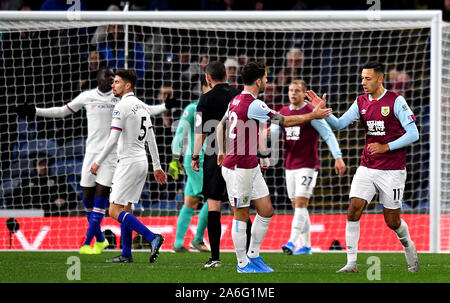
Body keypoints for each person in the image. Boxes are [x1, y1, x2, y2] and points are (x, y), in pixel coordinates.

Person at [14, 67, 174, 255]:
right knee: (91, 204)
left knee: (108, 206)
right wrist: (35, 111)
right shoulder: (88, 97)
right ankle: (105, 242)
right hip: (94, 156)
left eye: (115, 80)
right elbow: (61, 111)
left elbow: (139, 118)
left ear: (125, 85)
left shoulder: (121, 102)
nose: (111, 81)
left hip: (114, 159)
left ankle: (88, 245)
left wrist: (164, 106)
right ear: (98, 79)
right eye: (109, 78)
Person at [216, 61, 332, 273]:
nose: (268, 82)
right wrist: (312, 115)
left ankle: (253, 255)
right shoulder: (254, 104)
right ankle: (242, 264)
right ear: (259, 81)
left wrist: (221, 149)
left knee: (266, 210)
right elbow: (285, 121)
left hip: (249, 165)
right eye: (266, 79)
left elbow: (221, 125)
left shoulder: (235, 100)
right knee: (241, 213)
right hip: (238, 168)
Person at [305, 61, 420, 273]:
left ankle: (408, 246)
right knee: (354, 209)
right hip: (367, 167)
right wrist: (322, 112)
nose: (363, 82)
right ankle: (351, 263)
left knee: (392, 221)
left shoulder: (396, 101)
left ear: (380, 78)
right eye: (362, 78)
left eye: (367, 78)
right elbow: (339, 124)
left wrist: (387, 146)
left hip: (393, 170)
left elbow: (414, 134)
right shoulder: (361, 102)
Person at [90, 69, 167, 263]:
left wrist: (97, 162)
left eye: (116, 82)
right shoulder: (142, 106)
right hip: (142, 162)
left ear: (128, 85)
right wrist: (156, 166)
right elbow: (151, 139)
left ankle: (152, 237)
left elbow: (112, 139)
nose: (113, 85)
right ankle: (126, 254)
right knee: (126, 208)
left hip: (128, 163)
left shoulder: (121, 107)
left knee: (114, 211)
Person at [270, 79, 346, 255]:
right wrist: (266, 133)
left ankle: (291, 242)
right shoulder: (282, 112)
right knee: (297, 206)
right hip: (289, 166)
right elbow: (273, 134)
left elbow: (328, 134)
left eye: (297, 90)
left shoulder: (312, 112)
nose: (293, 93)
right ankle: (306, 246)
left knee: (302, 203)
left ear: (304, 94)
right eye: (290, 90)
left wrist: (338, 157)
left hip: (307, 165)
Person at [191, 60, 252, 268]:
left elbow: (199, 132)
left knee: (214, 204)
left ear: (208, 78)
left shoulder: (205, 100)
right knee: (239, 205)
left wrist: (194, 156)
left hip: (213, 152)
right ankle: (250, 255)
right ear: (226, 75)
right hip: (239, 152)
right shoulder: (238, 94)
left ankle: (215, 258)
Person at [169, 74, 211, 253]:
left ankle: (178, 244)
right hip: (197, 160)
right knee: (213, 198)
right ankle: (198, 239)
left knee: (191, 202)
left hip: (208, 159)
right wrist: (174, 159)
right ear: (204, 87)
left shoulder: (217, 108)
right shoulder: (193, 109)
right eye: (211, 85)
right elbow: (180, 133)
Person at [5, 157, 79, 215]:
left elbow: (74, 198)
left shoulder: (57, 180)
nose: (43, 167)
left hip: (53, 215)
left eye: (45, 164)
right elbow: (13, 201)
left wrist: (64, 201)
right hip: (29, 216)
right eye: (40, 164)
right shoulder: (27, 182)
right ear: (35, 167)